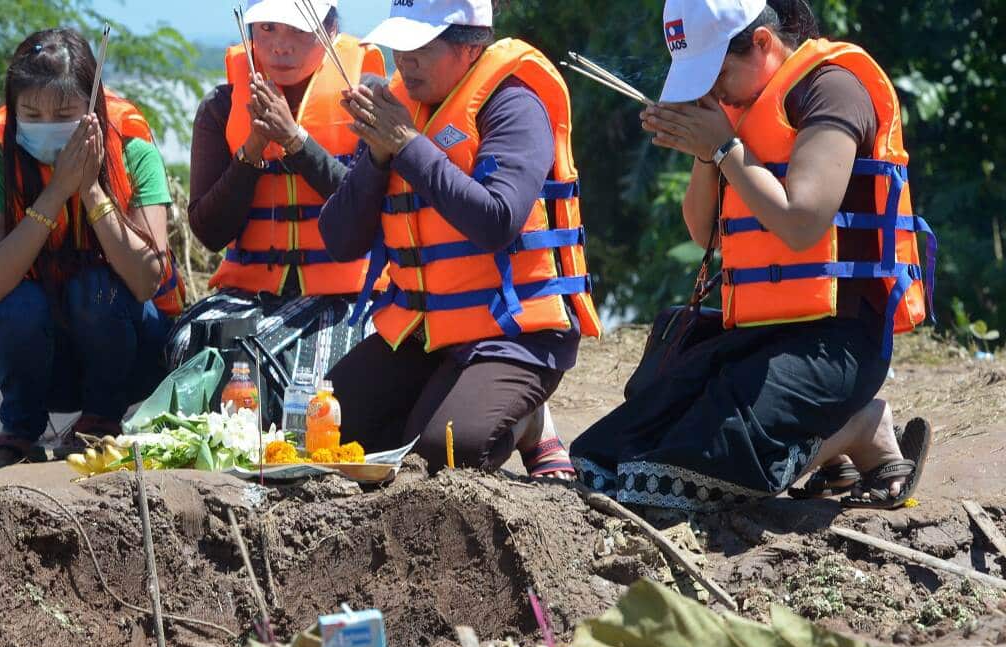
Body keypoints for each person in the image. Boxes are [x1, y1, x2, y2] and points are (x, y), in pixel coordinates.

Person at [571, 0, 935, 510]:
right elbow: (705, 232)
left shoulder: (831, 88)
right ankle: (836, 438)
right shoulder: (740, 111)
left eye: (719, 74)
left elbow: (802, 220)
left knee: (687, 466)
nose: (714, 91)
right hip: (758, 337)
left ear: (763, 44)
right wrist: (705, 153)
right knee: (607, 457)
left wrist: (724, 148)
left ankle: (858, 426)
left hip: (835, 343)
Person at [319, 0, 603, 477]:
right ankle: (444, 403)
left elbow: (496, 220)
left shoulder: (514, 103)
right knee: (329, 433)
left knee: (445, 455)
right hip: (426, 332)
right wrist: (377, 157)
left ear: (471, 48)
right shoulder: (398, 106)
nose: (403, 60)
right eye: (400, 46)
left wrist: (408, 146)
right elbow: (340, 241)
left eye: (420, 47)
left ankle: (530, 422)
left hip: (512, 333)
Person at [0, 28, 181, 476]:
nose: (47, 126)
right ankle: (20, 433)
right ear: (13, 110)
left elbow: (145, 280)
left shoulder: (133, 148)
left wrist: (91, 191)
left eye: (64, 113)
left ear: (93, 108)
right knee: (18, 303)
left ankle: (102, 421)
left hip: (131, 353)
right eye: (31, 113)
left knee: (96, 287)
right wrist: (55, 193)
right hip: (45, 363)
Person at [170, 0, 385, 413]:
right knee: (189, 344)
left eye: (299, 30)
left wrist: (295, 142)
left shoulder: (369, 96)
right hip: (250, 297)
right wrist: (252, 148)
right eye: (267, 28)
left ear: (330, 30)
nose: (281, 46)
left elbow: (368, 213)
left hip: (347, 296)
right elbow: (210, 232)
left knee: (315, 370)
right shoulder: (220, 106)